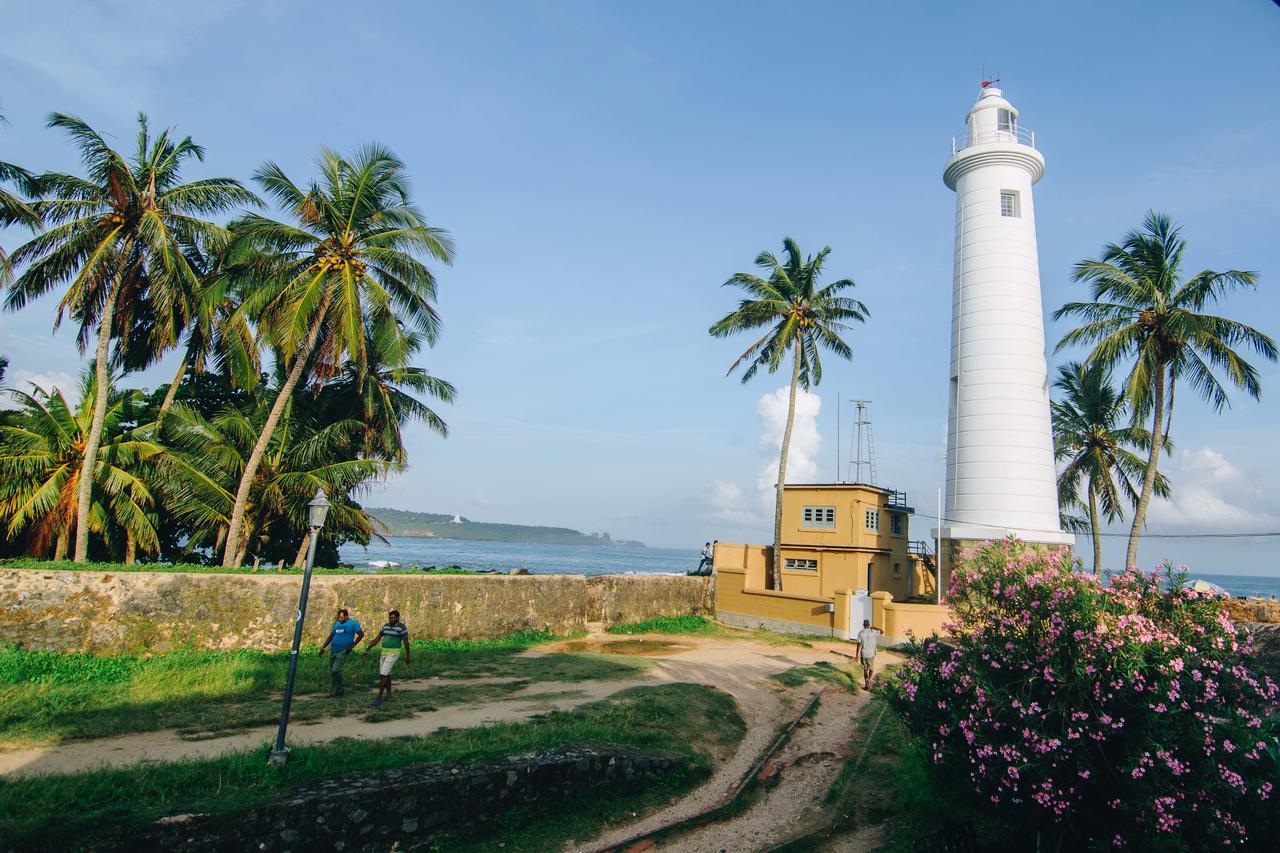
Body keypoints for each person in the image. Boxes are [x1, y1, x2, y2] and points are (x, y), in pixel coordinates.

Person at [364, 609, 410, 707]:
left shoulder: (402, 627)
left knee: (383, 674)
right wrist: (367, 649)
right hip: (384, 652)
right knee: (386, 674)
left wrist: (408, 656)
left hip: (393, 653)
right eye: (389, 617)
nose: (390, 619)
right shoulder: (386, 626)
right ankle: (389, 695)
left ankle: (379, 698)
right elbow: (377, 638)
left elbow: (406, 642)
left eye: (392, 617)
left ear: (397, 618)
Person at [319, 608, 363, 697]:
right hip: (334, 650)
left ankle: (340, 689)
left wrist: (352, 646)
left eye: (342, 617)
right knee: (332, 672)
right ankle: (334, 692)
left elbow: (361, 635)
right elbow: (331, 635)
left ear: (347, 616)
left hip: (343, 650)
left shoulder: (353, 623)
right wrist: (324, 647)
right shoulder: (337, 623)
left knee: (336, 670)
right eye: (339, 617)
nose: (340, 619)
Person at [854, 619, 882, 690]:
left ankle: (866, 685)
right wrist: (874, 627)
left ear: (863, 625)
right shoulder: (873, 632)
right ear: (869, 625)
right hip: (871, 654)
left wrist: (856, 655)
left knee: (865, 669)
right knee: (871, 668)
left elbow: (858, 644)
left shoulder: (861, 633)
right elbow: (882, 631)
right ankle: (869, 678)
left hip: (863, 654)